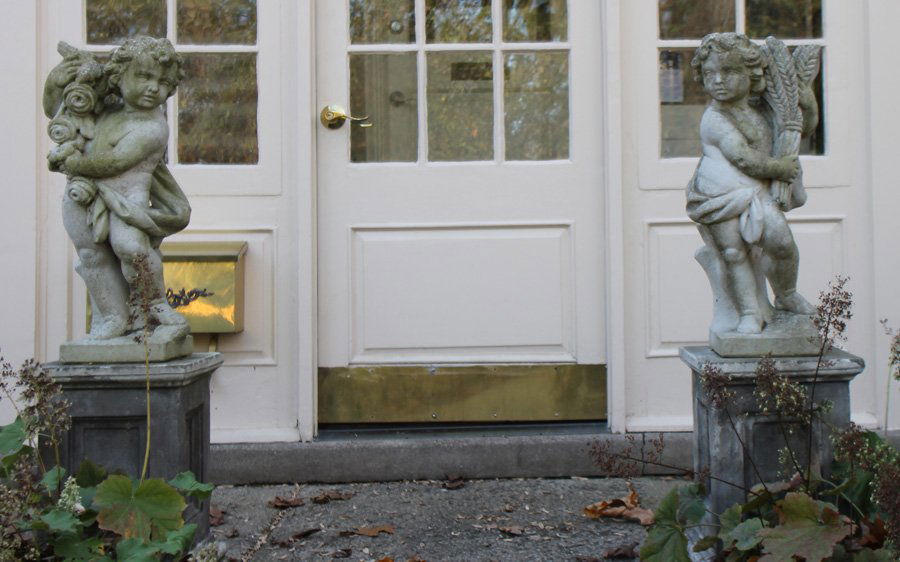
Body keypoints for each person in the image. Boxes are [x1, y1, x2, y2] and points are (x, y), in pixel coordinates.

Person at [44, 37, 190, 340]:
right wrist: (56, 83)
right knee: (91, 255)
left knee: (131, 248)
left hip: (127, 199)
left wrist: (72, 163)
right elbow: (57, 111)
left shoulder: (153, 127)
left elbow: (115, 162)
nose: (153, 88)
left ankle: (155, 305)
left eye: (163, 83)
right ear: (119, 76)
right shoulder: (106, 107)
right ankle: (113, 316)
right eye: (144, 76)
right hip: (82, 194)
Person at [686, 33, 815, 335]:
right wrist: (781, 168)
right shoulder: (714, 119)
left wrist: (807, 104)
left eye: (729, 71)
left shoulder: (764, 108)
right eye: (709, 73)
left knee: (781, 242)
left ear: (752, 73)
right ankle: (748, 313)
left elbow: (800, 129)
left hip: (757, 192)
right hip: (719, 196)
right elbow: (743, 158)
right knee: (733, 253)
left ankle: (786, 294)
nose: (718, 80)